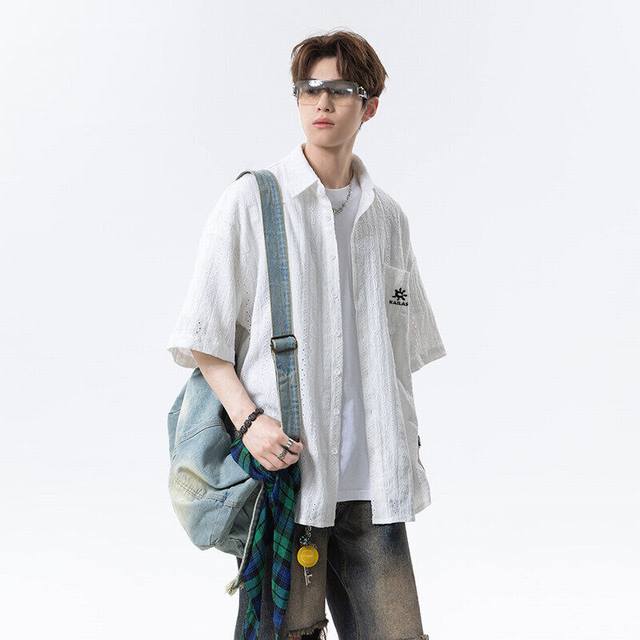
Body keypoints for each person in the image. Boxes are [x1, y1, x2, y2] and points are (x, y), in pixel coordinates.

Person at [166, 29, 446, 640]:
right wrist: (249, 421)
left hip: (375, 487)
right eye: (309, 88)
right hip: (293, 480)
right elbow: (204, 336)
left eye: (340, 90)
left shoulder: (388, 219)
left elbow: (402, 352)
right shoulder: (253, 201)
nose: (322, 102)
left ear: (369, 106)